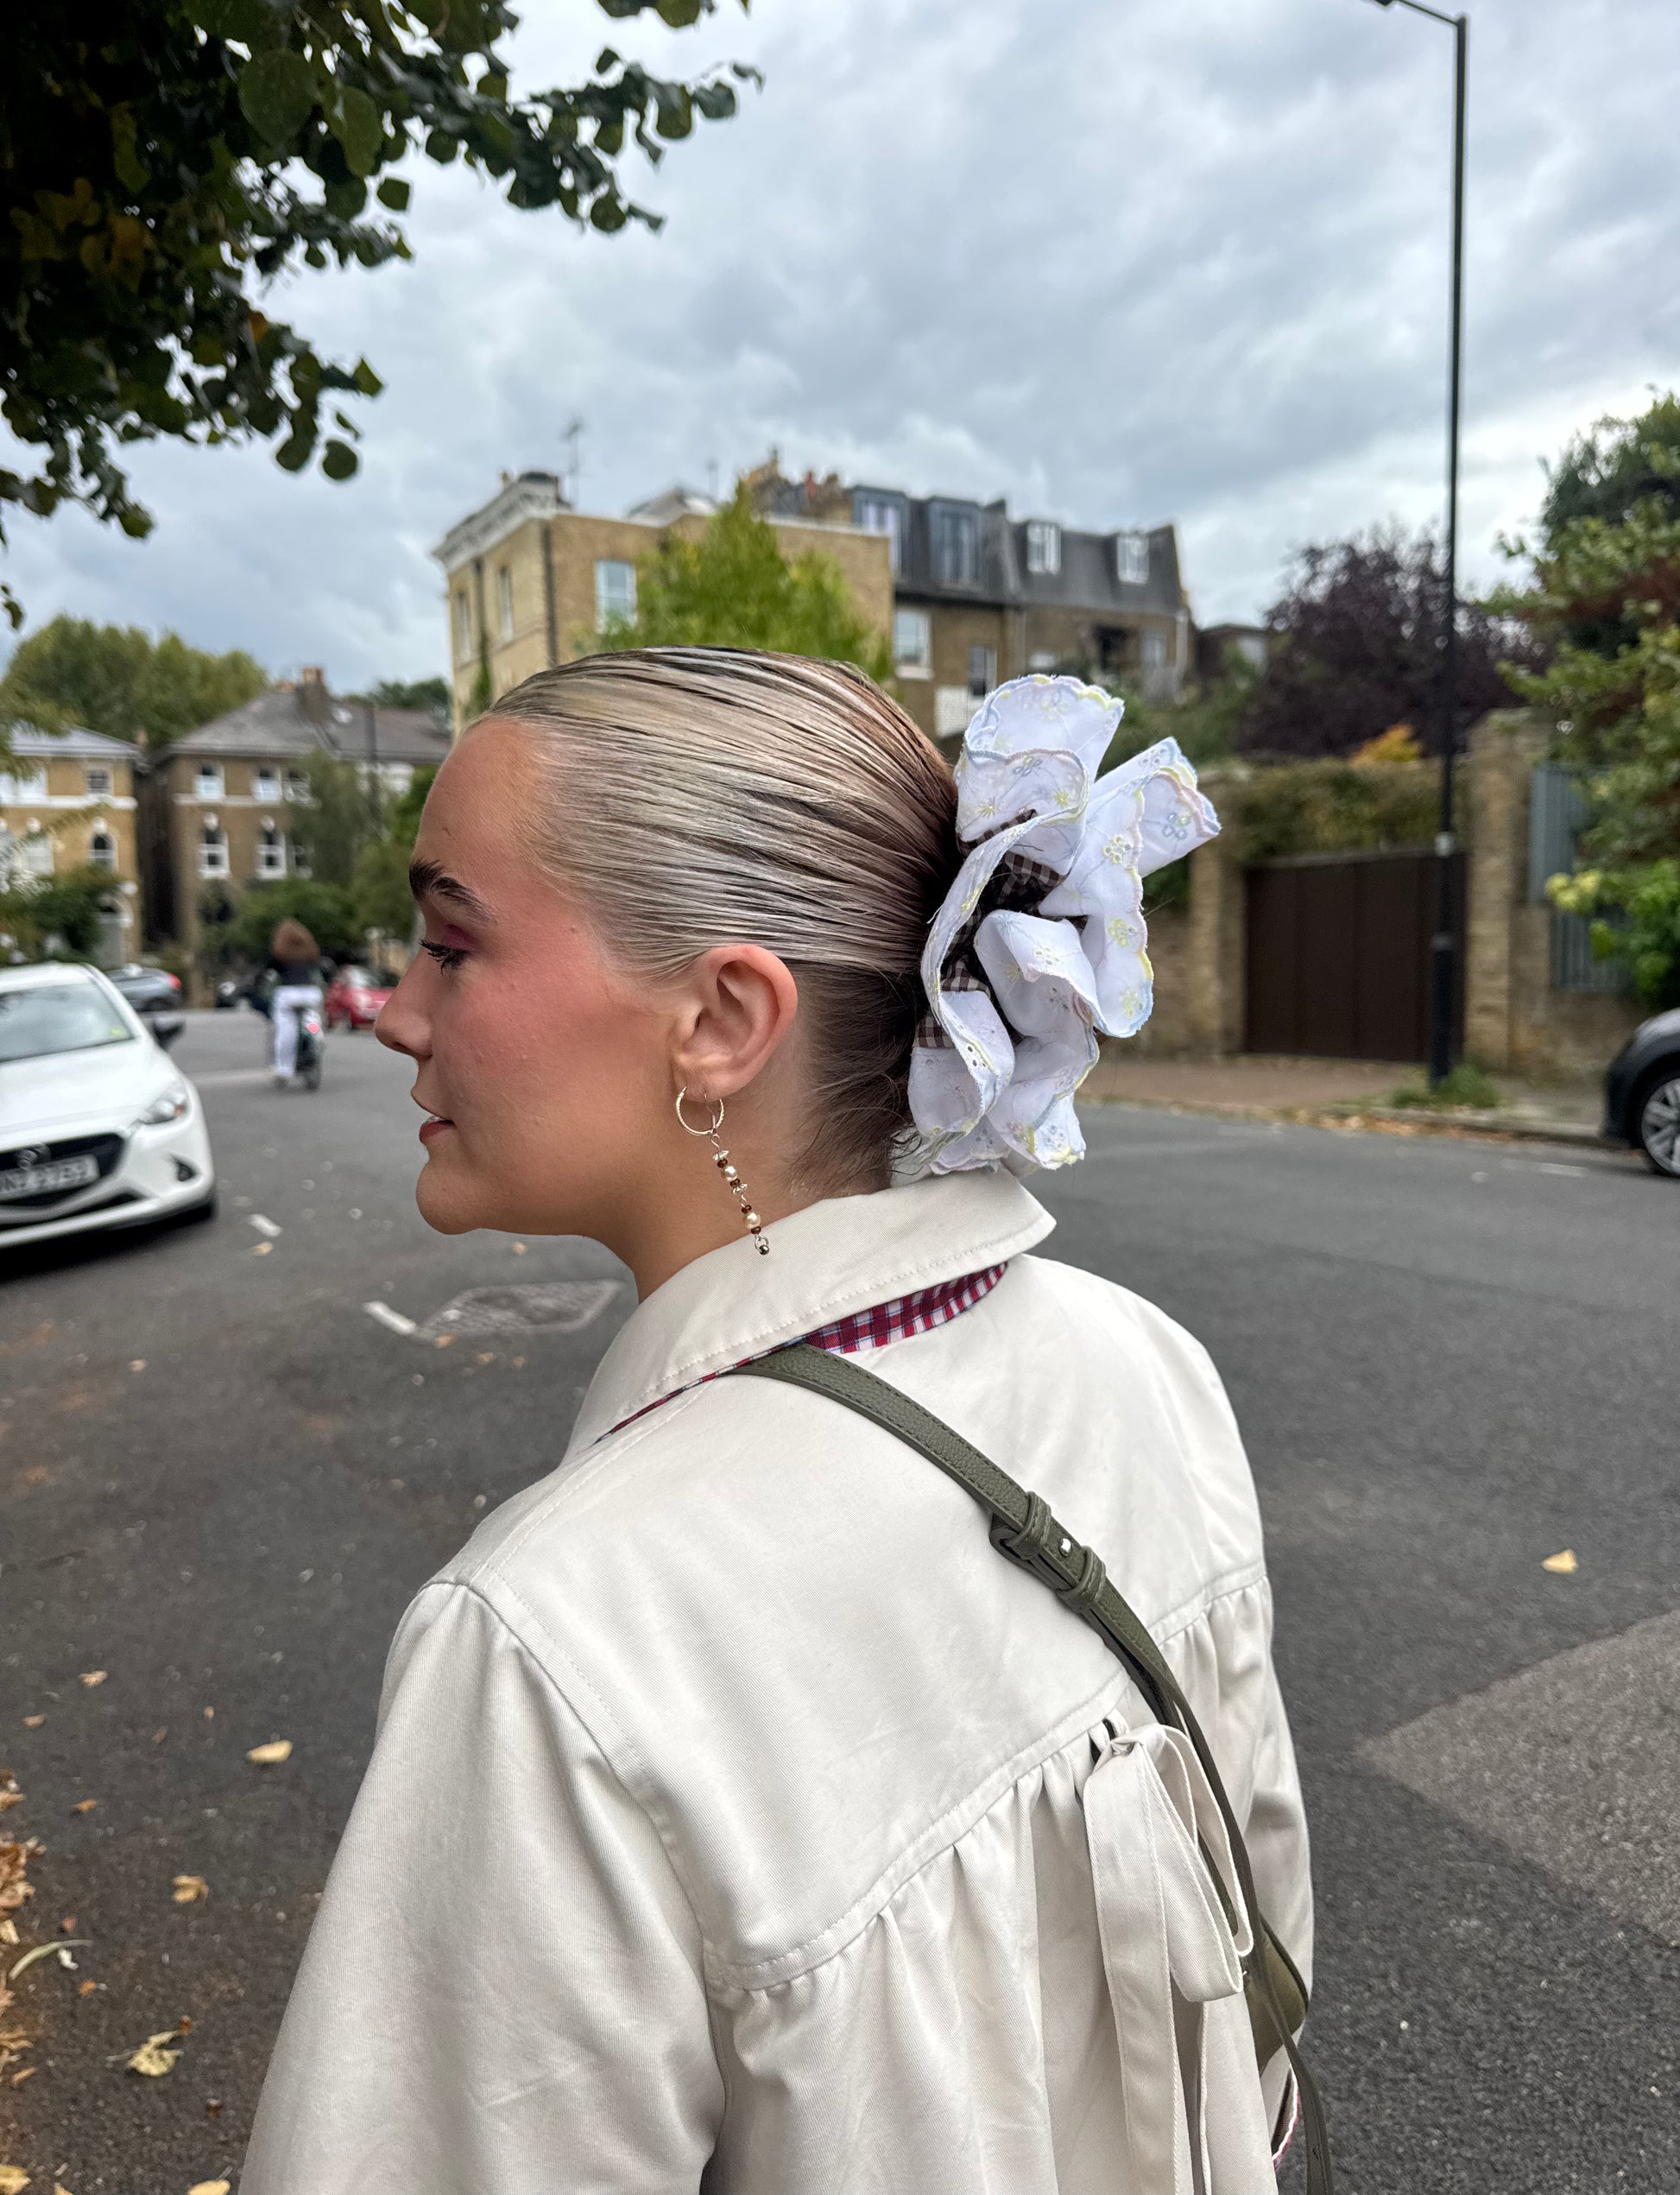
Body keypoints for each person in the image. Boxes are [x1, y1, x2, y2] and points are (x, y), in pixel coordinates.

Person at [242, 650, 1315, 2195]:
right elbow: (1258, 1917)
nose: (398, 1013)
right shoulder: (1142, 1356)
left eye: (451, 943)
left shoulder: (559, 1644)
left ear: (722, 1018)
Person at [266, 916, 326, 1082]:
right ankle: (316, 1034)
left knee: (286, 1028)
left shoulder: (280, 954)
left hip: (289, 994)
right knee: (311, 1018)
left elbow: (268, 971)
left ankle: (284, 1069)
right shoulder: (311, 953)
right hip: (311, 993)